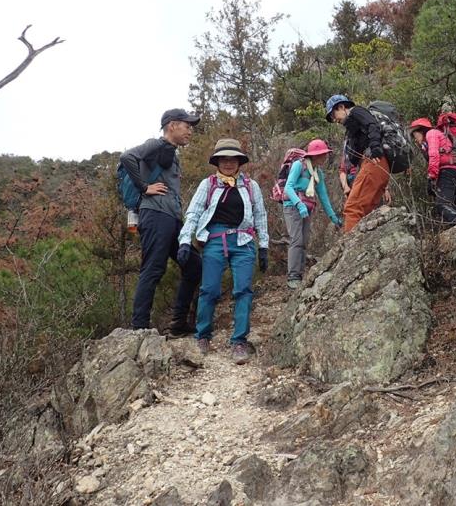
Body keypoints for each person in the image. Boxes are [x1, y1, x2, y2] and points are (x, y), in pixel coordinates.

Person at [177, 138, 269, 365]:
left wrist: (264, 246)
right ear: (217, 161)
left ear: (239, 161)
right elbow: (193, 213)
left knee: (243, 290)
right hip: (215, 239)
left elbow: (260, 215)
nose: (228, 163)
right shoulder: (208, 185)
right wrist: (185, 241)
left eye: (233, 159)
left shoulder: (251, 186)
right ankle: (202, 336)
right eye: (223, 159)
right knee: (209, 289)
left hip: (244, 239)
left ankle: (239, 341)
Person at [120, 108, 202, 335]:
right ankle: (140, 328)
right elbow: (127, 157)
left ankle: (178, 323)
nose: (190, 131)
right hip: (155, 215)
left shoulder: (171, 153)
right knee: (153, 268)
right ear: (172, 125)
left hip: (172, 218)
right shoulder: (155, 144)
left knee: (194, 265)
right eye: (187, 126)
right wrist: (144, 187)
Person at [325, 94, 390, 233]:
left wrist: (375, 148)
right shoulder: (352, 127)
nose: (334, 120)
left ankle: (350, 245)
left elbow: (372, 124)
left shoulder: (356, 111)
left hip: (373, 162)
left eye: (333, 114)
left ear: (341, 107)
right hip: (377, 166)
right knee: (366, 211)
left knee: (352, 208)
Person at [283, 139, 342, 289]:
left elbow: (323, 196)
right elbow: (288, 187)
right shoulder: (299, 165)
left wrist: (333, 217)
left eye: (325, 154)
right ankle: (293, 276)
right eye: (322, 154)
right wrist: (299, 204)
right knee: (296, 240)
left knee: (304, 241)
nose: (325, 157)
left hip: (307, 209)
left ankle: (300, 275)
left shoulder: (317, 173)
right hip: (292, 207)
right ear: (314, 155)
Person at [409, 117, 456, 225]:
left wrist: (431, 177)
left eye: (414, 135)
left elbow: (434, 155)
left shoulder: (431, 134)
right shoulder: (438, 135)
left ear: (420, 130)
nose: (415, 139)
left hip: (448, 173)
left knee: (442, 206)